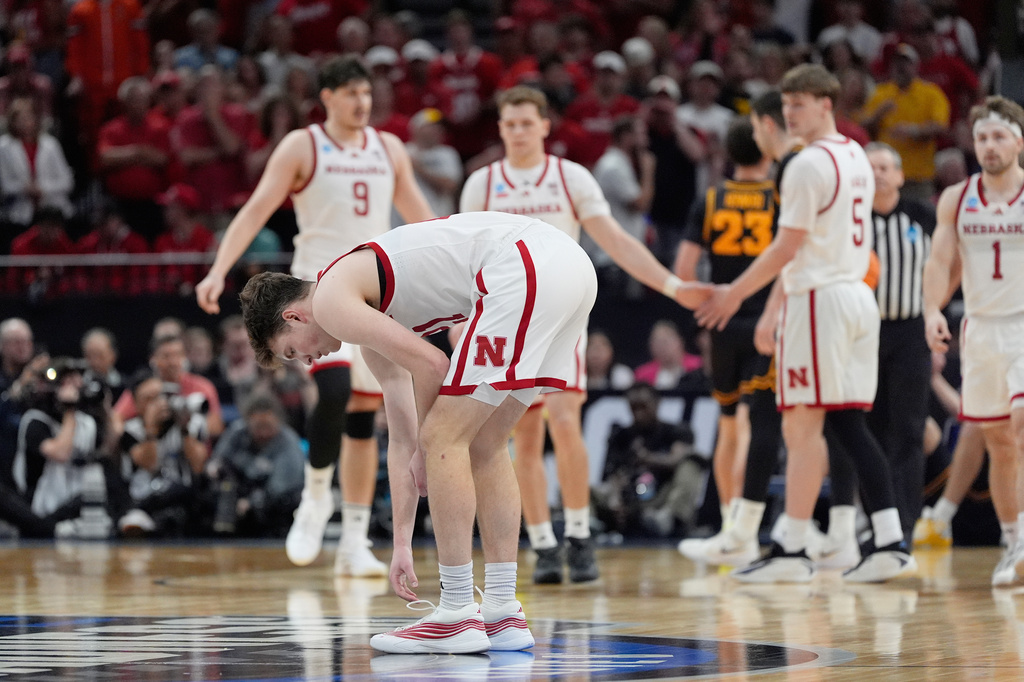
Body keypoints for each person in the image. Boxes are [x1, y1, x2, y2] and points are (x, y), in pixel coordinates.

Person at [238, 211, 708, 653]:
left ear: (293, 318)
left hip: (527, 265)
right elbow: (402, 441)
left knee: (445, 438)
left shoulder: (330, 302)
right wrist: (401, 542)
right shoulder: (361, 315)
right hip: (569, 270)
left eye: (292, 352)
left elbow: (432, 364)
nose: (308, 360)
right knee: (483, 443)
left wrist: (431, 443)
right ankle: (503, 611)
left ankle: (458, 612)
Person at [195, 55, 434, 576]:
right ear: (326, 97)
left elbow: (420, 217)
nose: (361, 102)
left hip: (373, 289)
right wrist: (219, 270)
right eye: (349, 93)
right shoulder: (304, 145)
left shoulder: (388, 148)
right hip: (317, 292)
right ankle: (315, 498)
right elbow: (257, 207)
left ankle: (351, 541)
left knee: (363, 418)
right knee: (333, 391)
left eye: (366, 93)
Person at [459, 86, 704, 584]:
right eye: (509, 124)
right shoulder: (482, 184)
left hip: (562, 313)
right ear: (500, 129)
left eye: (527, 122)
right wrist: (460, 326)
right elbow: (465, 260)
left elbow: (615, 239)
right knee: (521, 438)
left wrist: (672, 285)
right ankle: (544, 542)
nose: (519, 132)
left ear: (546, 125)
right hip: (505, 319)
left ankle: (578, 533)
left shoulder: (570, 178)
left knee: (566, 423)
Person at [696, 64, 916, 583]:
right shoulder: (857, 155)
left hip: (819, 299)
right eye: (787, 103)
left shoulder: (806, 165)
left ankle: (794, 548)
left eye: (801, 103)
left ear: (826, 104)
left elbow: (787, 248)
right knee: (841, 421)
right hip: (857, 296)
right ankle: (881, 538)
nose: (791, 112)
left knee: (802, 424)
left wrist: (735, 292)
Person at [923, 96, 1024, 586]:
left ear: (1019, 142)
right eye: (981, 137)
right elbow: (942, 263)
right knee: (1000, 441)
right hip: (981, 327)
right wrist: (930, 309)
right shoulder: (957, 199)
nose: (989, 145)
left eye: (999, 136)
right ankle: (1014, 542)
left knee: (1021, 429)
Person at [674, 117, 777, 551]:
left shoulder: (712, 198)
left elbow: (682, 273)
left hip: (721, 324)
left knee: (729, 426)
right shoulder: (780, 198)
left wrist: (709, 303)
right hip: (766, 320)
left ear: (729, 155)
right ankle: (745, 534)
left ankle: (730, 524)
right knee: (756, 426)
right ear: (769, 153)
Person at [863, 142, 935, 541]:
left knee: (908, 428)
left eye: (885, 167)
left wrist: (935, 307)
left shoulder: (922, 215)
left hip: (910, 330)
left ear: (900, 175)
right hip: (865, 332)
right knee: (867, 429)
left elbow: (947, 262)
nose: (878, 174)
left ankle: (906, 521)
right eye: (871, 167)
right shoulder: (852, 219)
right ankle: (875, 521)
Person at [594, 382, 704, 537]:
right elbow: (614, 472)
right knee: (588, 492)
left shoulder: (678, 431)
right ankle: (585, 525)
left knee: (692, 463)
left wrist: (647, 458)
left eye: (643, 407)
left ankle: (669, 518)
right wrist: (615, 498)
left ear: (657, 403)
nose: (639, 413)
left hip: (663, 495)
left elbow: (675, 460)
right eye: (633, 408)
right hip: (630, 495)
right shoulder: (621, 435)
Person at [204, 392, 304, 537]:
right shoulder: (237, 433)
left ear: (278, 421)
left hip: (275, 511)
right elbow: (218, 460)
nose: (263, 433)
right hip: (238, 502)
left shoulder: (288, 443)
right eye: (258, 427)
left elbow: (280, 488)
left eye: (268, 426)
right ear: (248, 421)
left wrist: (251, 502)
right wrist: (214, 468)